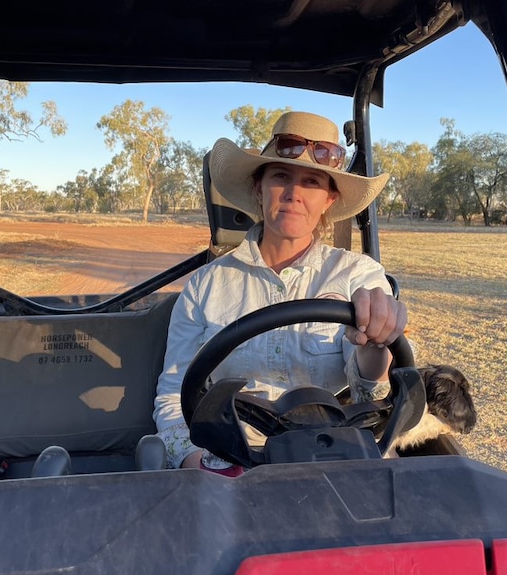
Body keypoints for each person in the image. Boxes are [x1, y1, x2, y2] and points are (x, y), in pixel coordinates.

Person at [153, 111, 407, 472]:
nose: (293, 194)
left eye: (312, 182)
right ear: (260, 187)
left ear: (329, 200)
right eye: (281, 176)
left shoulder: (358, 275)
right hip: (232, 456)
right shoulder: (205, 285)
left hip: (338, 451)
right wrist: (196, 463)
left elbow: (370, 394)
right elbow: (172, 395)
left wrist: (378, 345)